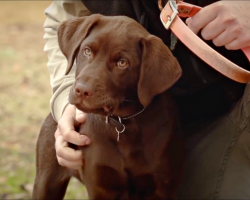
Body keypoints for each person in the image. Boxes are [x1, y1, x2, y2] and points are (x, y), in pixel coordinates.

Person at [43, 0, 250, 199]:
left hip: (229, 108)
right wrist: (65, 97)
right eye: (88, 51)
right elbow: (65, 15)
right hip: (129, 111)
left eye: (122, 62)